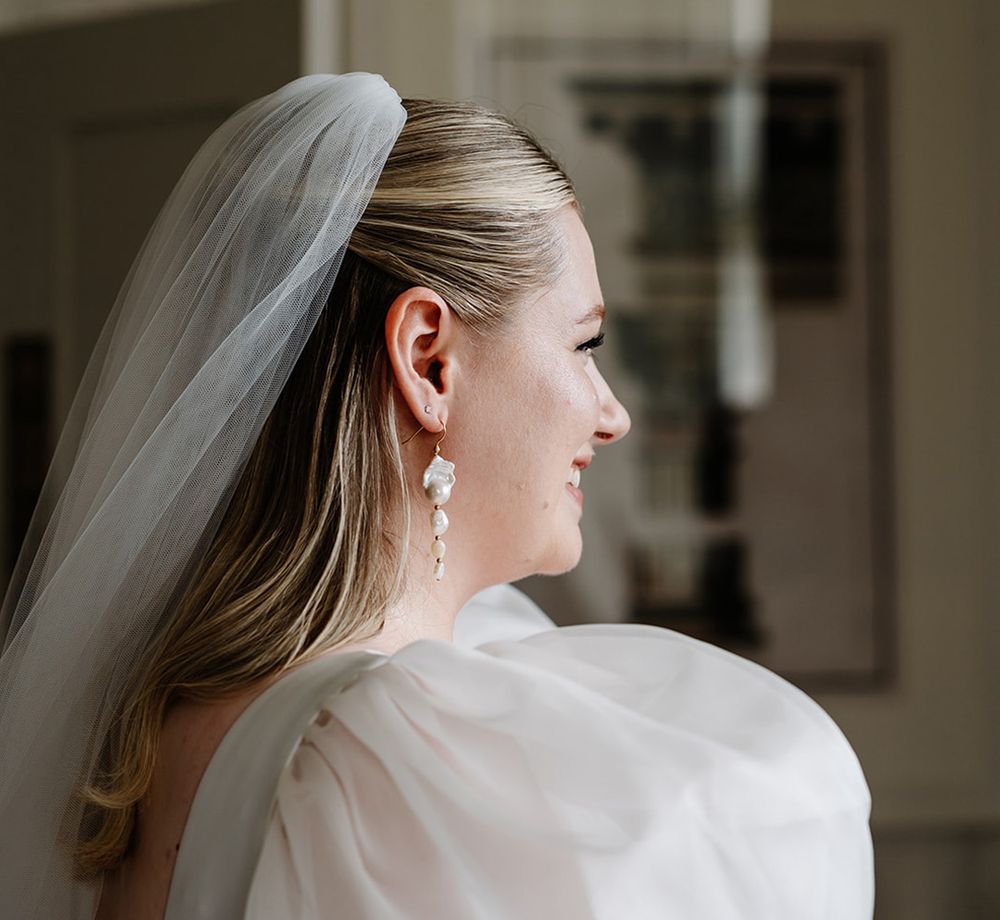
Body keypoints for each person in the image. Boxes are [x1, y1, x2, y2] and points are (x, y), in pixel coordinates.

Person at [0, 73, 874, 919]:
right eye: (584, 344)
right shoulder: (402, 762)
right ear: (428, 360)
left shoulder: (158, 724)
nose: (613, 415)